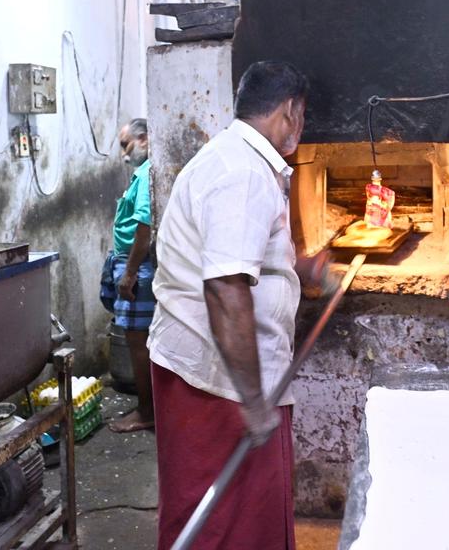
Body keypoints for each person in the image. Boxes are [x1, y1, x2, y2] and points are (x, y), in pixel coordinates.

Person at [148, 60, 328, 550]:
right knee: (226, 523)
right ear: (290, 111)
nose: (301, 126)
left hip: (214, 373)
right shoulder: (243, 174)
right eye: (303, 115)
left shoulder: (229, 158)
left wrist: (298, 267)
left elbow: (235, 258)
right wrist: (252, 403)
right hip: (220, 384)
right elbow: (226, 291)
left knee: (229, 512)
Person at [99, 117, 156, 433]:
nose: (123, 153)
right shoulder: (141, 174)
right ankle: (146, 407)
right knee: (137, 340)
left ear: (144, 139)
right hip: (130, 263)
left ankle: (147, 412)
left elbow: (144, 229)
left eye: (126, 144)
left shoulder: (148, 174)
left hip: (138, 267)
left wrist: (130, 273)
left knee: (139, 343)